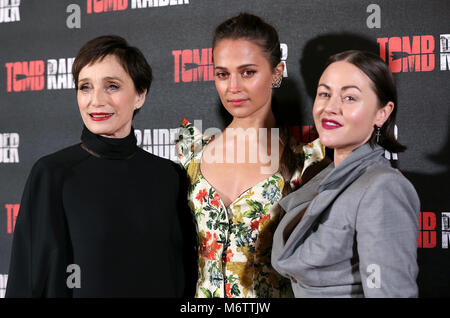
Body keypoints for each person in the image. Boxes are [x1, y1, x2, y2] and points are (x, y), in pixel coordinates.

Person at [6, 35, 193, 297]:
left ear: (140, 95)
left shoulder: (169, 176)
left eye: (112, 86)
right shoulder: (53, 174)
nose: (96, 100)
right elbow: (28, 282)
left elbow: (180, 275)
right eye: (85, 87)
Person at [176, 13, 327, 298]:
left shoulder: (307, 162)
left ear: (277, 72)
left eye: (247, 72)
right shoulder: (192, 151)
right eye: (223, 74)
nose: (233, 87)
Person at [271, 50, 420, 297]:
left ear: (382, 113)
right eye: (325, 94)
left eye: (350, 98)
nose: (331, 107)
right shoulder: (318, 176)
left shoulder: (383, 188)